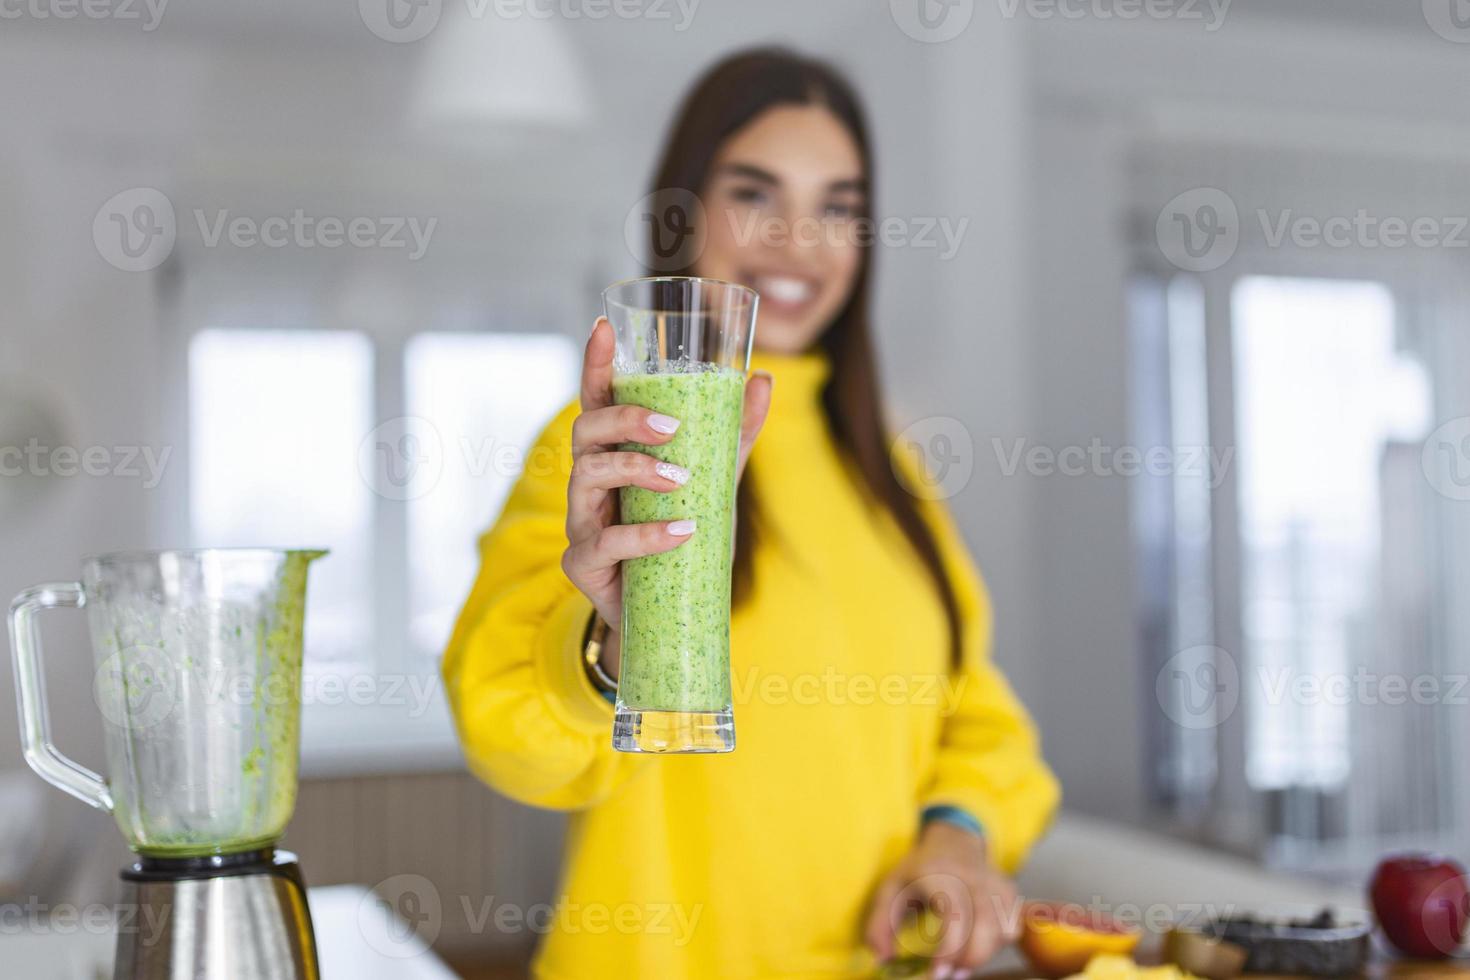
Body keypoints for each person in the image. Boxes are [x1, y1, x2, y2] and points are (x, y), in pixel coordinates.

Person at [442, 47, 1060, 980]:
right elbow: (510, 737)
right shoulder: (610, 443)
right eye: (757, 195)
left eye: (838, 206)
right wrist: (612, 643)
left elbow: (978, 713)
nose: (799, 243)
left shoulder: (892, 472)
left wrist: (958, 834)